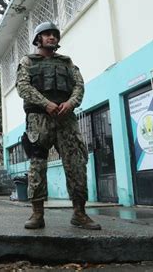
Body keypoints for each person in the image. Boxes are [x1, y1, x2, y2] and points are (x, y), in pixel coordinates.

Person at [16, 21, 100, 230]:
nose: (52, 37)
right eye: (47, 35)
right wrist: (46, 104)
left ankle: (79, 213)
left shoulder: (67, 62)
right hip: (39, 119)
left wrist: (71, 103)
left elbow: (79, 85)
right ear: (38, 39)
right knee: (37, 166)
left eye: (54, 34)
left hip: (66, 118)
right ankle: (37, 214)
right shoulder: (27, 61)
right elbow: (23, 87)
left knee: (76, 164)